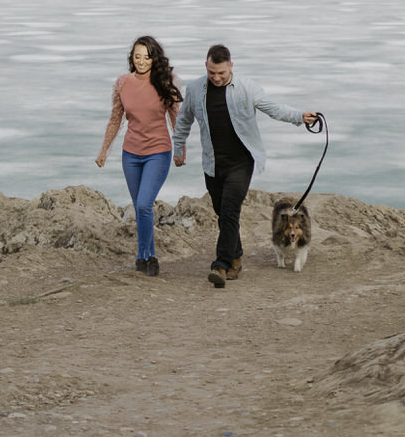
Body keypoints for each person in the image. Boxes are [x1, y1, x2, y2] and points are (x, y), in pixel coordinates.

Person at [173, 43, 316, 288]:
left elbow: (273, 109)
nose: (216, 78)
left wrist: (299, 116)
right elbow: (184, 119)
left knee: (230, 210)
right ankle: (237, 256)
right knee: (223, 214)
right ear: (205, 67)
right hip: (213, 163)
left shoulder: (247, 89)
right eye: (211, 73)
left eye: (221, 73)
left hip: (241, 162)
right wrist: (178, 148)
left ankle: (221, 264)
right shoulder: (195, 89)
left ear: (231, 67)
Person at [96, 35, 182, 277]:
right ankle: (151, 257)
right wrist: (104, 151)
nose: (142, 61)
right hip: (131, 155)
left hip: (158, 152)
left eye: (146, 57)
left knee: (144, 204)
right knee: (141, 208)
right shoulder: (123, 83)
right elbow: (115, 119)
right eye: (137, 56)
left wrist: (180, 150)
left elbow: (176, 118)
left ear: (154, 58)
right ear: (131, 59)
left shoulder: (165, 81)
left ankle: (141, 257)